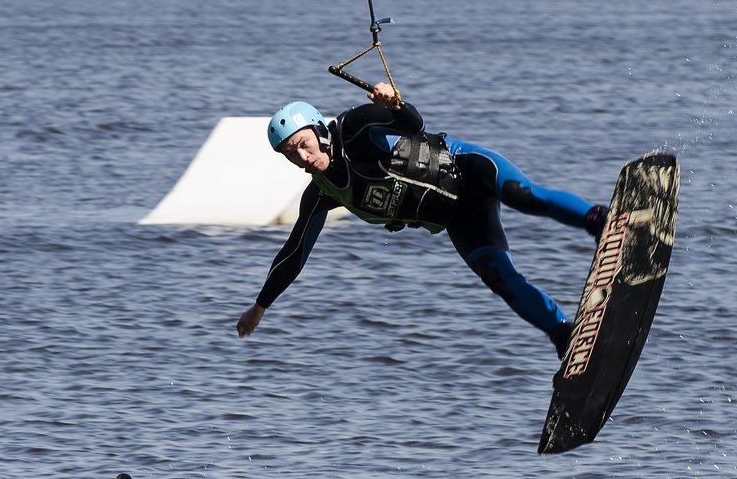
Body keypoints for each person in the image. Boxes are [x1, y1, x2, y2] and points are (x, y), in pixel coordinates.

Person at [236, 82, 608, 358]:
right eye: (290, 154)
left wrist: (393, 102)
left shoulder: (354, 128)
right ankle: (562, 333)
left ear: (319, 130)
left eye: (304, 144)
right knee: (499, 277)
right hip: (458, 216)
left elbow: (413, 124)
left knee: (526, 197)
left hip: (468, 169)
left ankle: (597, 220)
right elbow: (294, 252)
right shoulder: (321, 193)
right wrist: (260, 305)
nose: (302, 156)